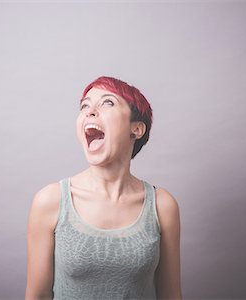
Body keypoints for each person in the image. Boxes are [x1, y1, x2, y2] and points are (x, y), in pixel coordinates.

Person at [25, 76, 181, 300]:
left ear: (136, 129)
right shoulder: (50, 201)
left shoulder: (162, 205)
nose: (90, 111)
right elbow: (37, 296)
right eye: (85, 106)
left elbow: (171, 296)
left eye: (107, 102)